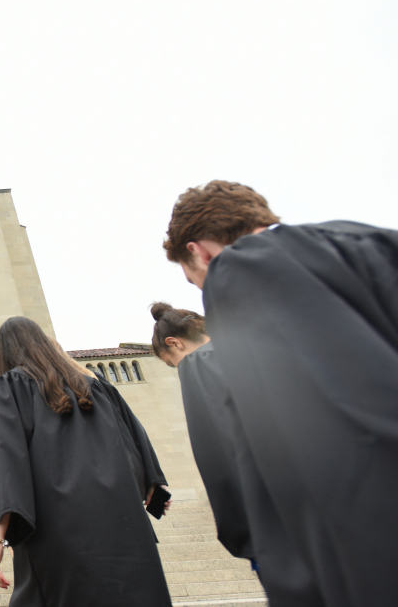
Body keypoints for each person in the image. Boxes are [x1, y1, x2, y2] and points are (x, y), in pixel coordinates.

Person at [164, 180, 398, 607]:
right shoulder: (372, 241)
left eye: (194, 280)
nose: (202, 291)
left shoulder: (239, 272)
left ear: (199, 251)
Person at [0, 316, 171, 607]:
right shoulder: (96, 386)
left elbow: (8, 459)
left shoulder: (10, 386)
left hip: (57, 526)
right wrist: (154, 487)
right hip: (121, 522)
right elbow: (133, 439)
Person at [150, 302, 255, 565]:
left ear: (175, 344)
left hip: (267, 521)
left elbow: (218, 451)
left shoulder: (198, 365)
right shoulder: (249, 346)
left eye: (171, 363)